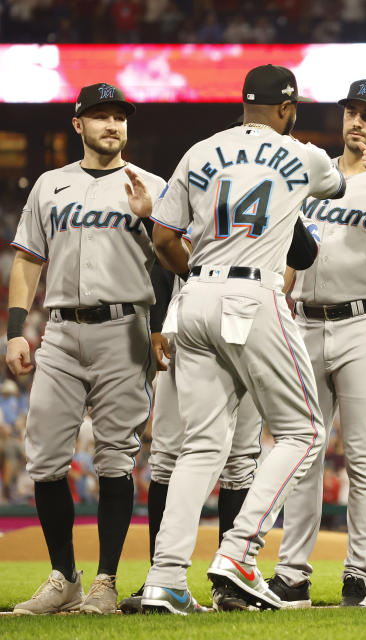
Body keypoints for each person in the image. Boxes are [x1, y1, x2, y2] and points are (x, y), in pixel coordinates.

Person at [137, 64, 345, 614]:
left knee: (199, 447)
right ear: (287, 108)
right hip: (253, 295)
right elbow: (335, 185)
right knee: (303, 431)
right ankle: (239, 552)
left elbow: (162, 238)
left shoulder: (197, 151)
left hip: (196, 295)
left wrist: (200, 274)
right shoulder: (302, 153)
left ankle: (165, 579)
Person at [7, 83, 166, 615]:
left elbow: (177, 261)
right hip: (59, 330)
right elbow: (29, 260)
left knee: (116, 459)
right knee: (45, 457)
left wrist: (147, 216)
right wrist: (13, 330)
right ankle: (63, 576)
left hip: (125, 328)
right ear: (78, 125)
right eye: (100, 116)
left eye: (119, 116)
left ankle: (105, 581)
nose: (112, 125)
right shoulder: (50, 185)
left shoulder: (153, 185)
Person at [267, 78, 366, 608]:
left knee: (362, 456)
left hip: (364, 324)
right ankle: (292, 573)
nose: (356, 121)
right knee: (305, 451)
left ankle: (360, 572)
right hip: (304, 322)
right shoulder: (312, 177)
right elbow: (287, 255)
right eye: (351, 111)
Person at [117, 261, 264, 614]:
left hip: (209, 319)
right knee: (174, 458)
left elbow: (300, 255)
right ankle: (163, 579)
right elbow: (164, 257)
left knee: (233, 460)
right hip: (211, 322)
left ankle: (226, 584)